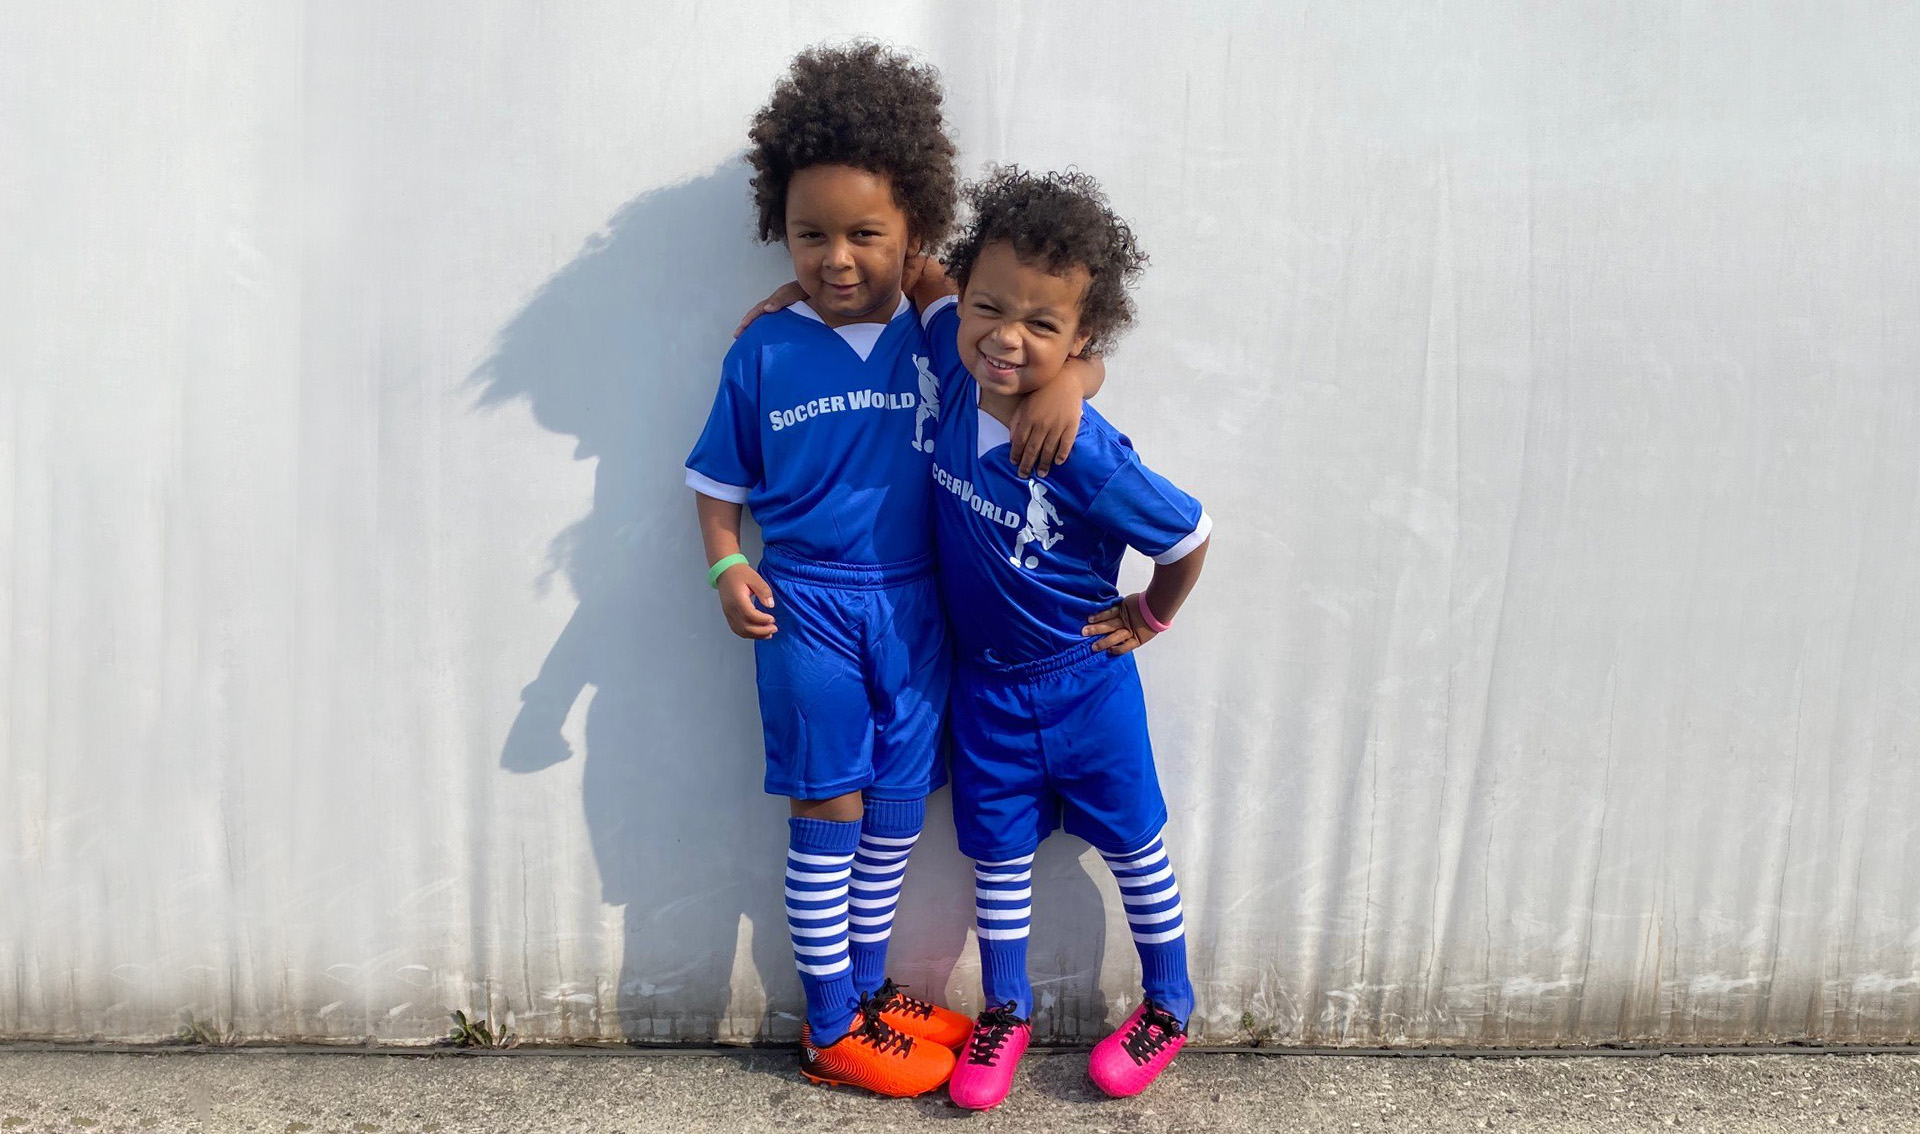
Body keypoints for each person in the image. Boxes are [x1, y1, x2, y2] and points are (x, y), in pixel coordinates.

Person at [686, 44, 1092, 1097]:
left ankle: (868, 991)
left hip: (919, 610)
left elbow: (1041, 337)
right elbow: (716, 483)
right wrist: (728, 563)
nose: (835, 257)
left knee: (900, 812)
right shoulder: (763, 351)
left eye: (866, 233)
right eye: (810, 234)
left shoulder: (943, 330)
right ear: (779, 227)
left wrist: (1075, 384)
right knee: (831, 810)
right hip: (808, 607)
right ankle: (828, 1030)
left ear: (916, 230)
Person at [911, 167, 1211, 1109]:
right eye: (989, 307)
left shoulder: (1083, 449)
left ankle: (1169, 1001)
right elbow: (914, 274)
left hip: (1085, 685)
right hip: (986, 692)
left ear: (1082, 335)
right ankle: (1006, 1010)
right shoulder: (954, 377)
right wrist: (796, 293)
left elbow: (1190, 536)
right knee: (996, 858)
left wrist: (1151, 614)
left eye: (1044, 328)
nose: (1007, 338)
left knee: (1136, 847)